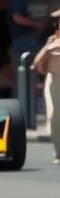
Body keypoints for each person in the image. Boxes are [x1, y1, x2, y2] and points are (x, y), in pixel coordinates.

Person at [34, 14, 60, 163]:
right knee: (54, 117)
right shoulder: (51, 40)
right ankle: (58, 152)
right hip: (55, 79)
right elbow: (38, 64)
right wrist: (49, 47)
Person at [9, 0, 46, 65]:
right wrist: (37, 25)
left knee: (29, 63)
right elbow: (18, 18)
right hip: (22, 37)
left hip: (26, 36)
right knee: (27, 64)